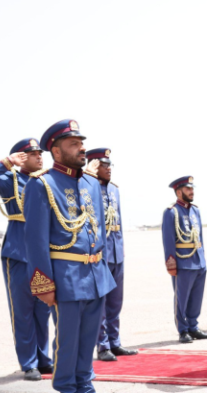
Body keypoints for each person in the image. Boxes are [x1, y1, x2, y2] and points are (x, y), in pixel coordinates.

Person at [24, 119, 116, 393]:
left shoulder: (91, 183)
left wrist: (103, 271)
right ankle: (66, 386)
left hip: (96, 275)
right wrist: (43, 283)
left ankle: (85, 385)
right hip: (67, 277)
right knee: (68, 342)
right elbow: (35, 240)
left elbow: (99, 232)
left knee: (89, 340)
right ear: (57, 151)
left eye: (81, 143)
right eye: (74, 144)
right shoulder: (42, 184)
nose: (82, 148)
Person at [1, 139, 52, 381]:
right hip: (18, 251)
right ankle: (29, 363)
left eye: (40, 153)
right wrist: (5, 163)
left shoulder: (46, 182)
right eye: (32, 154)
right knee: (22, 311)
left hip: (43, 252)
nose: (39, 157)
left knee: (43, 308)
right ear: (20, 158)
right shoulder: (9, 179)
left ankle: (43, 360)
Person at [84, 148, 138, 362]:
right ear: (94, 166)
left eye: (109, 165)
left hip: (116, 252)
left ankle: (115, 342)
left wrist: (121, 248)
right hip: (100, 254)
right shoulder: (87, 188)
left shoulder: (114, 189)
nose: (109, 169)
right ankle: (103, 345)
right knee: (101, 304)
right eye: (104, 165)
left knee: (115, 302)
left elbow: (118, 222)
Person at [161, 176, 207, 344]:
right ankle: (183, 330)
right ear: (178, 191)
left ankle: (193, 326)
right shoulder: (171, 212)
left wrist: (203, 259)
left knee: (196, 298)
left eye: (192, 188)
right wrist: (171, 263)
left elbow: (200, 237)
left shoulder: (195, 210)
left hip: (198, 261)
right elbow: (168, 240)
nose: (191, 191)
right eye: (188, 189)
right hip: (183, 263)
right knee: (181, 299)